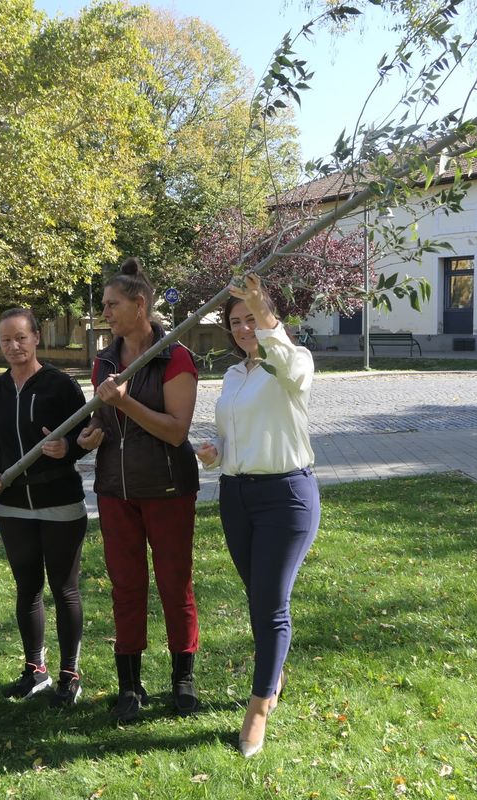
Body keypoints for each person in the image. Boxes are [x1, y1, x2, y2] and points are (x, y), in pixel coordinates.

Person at [196, 272, 319, 757]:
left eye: (253, 318)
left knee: (270, 604)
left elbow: (287, 361)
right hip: (236, 496)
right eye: (237, 321)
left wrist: (262, 308)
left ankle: (259, 707)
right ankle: (276, 671)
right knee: (258, 598)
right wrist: (218, 452)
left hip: (286, 497)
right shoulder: (233, 374)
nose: (244, 328)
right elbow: (240, 435)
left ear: (270, 320)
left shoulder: (291, 362)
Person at [76, 257, 201, 722]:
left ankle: (182, 679)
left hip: (168, 489)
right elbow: (104, 419)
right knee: (126, 588)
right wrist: (93, 433)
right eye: (105, 305)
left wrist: (125, 403)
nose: (105, 313)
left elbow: (175, 431)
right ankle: (130, 685)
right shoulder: (105, 361)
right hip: (116, 491)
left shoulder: (175, 357)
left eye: (112, 304)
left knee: (174, 584)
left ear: (139, 304)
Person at [0, 308, 90, 707]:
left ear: (36, 338)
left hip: (59, 501)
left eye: (21, 338)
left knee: (64, 589)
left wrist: (68, 448)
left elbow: (87, 434)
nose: (14, 346)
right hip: (12, 507)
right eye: (6, 340)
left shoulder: (60, 386)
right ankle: (35, 670)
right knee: (27, 588)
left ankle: (69, 673)